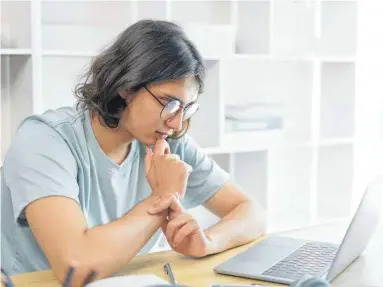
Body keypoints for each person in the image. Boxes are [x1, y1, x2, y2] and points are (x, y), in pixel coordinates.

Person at [0, 20, 266, 286]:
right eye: (169, 103)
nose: (176, 123)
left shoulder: (170, 141)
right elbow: (76, 266)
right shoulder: (45, 139)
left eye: (186, 108)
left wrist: (208, 242)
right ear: (126, 86)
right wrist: (162, 198)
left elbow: (252, 212)